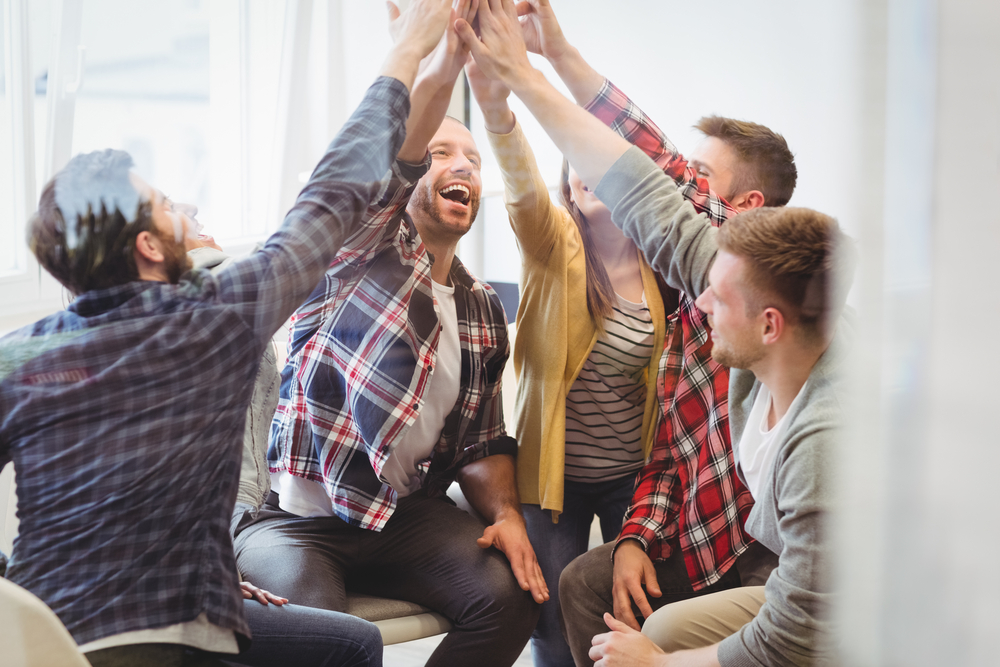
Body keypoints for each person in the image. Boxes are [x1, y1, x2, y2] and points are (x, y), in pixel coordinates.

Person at [0, 2, 452, 665]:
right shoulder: (213, 319)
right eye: (164, 204)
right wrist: (407, 50)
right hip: (155, 641)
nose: (184, 211)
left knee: (345, 642)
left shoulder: (21, 354)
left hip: (36, 635)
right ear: (148, 245)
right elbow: (333, 193)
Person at [458, 3, 852, 664]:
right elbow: (643, 182)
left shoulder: (818, 420)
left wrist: (664, 662)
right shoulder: (718, 299)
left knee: (652, 630)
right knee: (586, 590)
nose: (679, 181)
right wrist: (544, 61)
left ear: (737, 211)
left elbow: (652, 174)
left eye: (698, 179)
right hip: (647, 510)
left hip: (780, 568)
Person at [233, 3, 544, 666]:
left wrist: (506, 514)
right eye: (440, 153)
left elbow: (483, 442)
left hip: (404, 517)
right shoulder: (354, 249)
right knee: (322, 636)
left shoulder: (484, 307)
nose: (460, 165)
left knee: (512, 595)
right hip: (297, 522)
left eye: (471, 158)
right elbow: (388, 160)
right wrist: (444, 57)